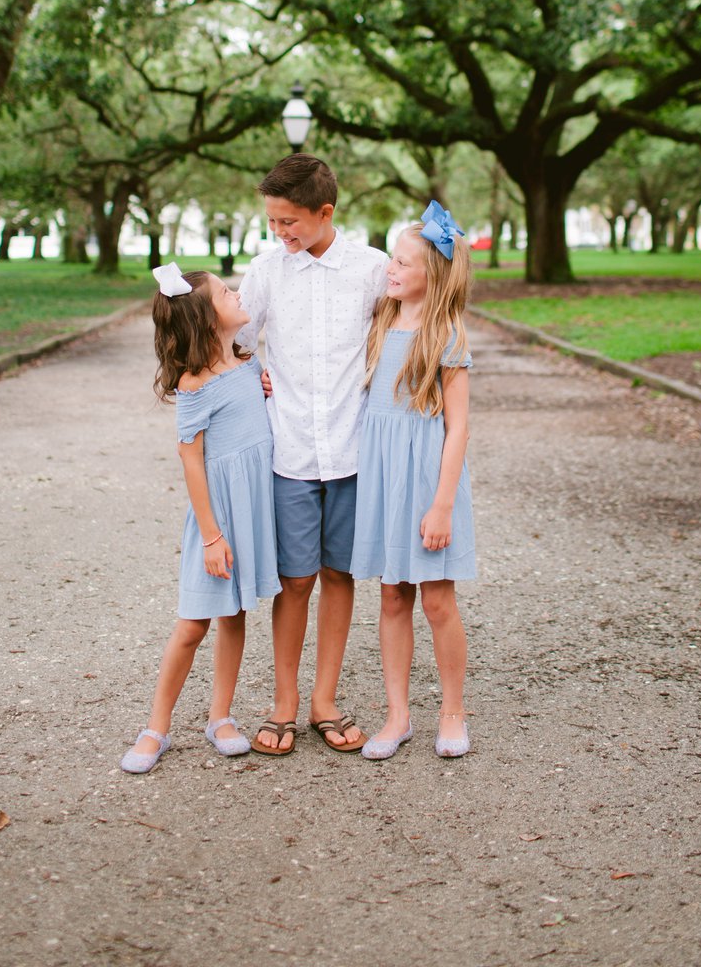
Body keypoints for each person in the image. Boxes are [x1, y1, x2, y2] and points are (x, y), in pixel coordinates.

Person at [237, 154, 388, 755]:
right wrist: (255, 375)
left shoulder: (372, 270)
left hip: (353, 449)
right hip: (291, 451)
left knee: (339, 573)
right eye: (272, 223)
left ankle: (325, 699)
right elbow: (236, 338)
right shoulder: (268, 270)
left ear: (325, 213)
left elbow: (397, 334)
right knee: (294, 579)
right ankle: (284, 702)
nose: (280, 233)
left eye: (289, 222)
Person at [120, 261, 280, 774]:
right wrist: (211, 536)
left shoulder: (249, 365)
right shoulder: (194, 385)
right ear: (207, 320)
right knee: (192, 624)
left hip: (253, 507)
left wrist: (268, 386)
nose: (237, 295)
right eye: (226, 293)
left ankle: (220, 716)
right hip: (218, 521)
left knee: (234, 616)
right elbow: (191, 460)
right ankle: (155, 728)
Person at [350, 200, 475, 760]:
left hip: (426, 481)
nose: (390, 270)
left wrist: (442, 504)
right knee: (392, 596)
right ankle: (397, 714)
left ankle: (452, 711)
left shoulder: (445, 334)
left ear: (434, 275)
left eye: (402, 263)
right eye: (391, 261)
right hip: (382, 478)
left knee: (437, 601)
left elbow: (459, 427)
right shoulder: (380, 321)